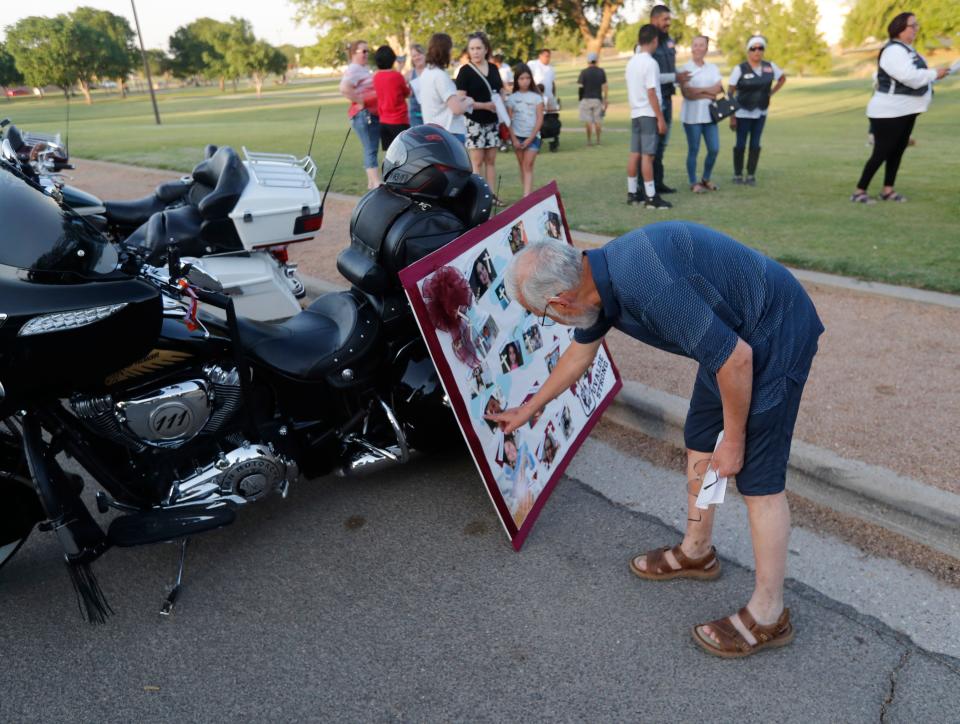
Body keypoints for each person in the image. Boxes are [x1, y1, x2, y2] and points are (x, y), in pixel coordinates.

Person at [486, 222, 824, 659]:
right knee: (702, 434)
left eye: (543, 316)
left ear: (560, 302)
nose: (548, 322)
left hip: (773, 333)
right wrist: (531, 407)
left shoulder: (648, 286)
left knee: (758, 481)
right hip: (730, 334)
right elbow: (581, 351)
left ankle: (768, 615)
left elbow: (737, 360)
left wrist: (735, 440)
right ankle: (697, 552)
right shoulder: (592, 275)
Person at [850, 13, 948, 204]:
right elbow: (908, 76)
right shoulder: (893, 51)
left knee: (897, 151)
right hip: (889, 111)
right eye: (912, 25)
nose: (916, 29)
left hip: (906, 110)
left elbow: (916, 73)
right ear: (900, 28)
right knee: (881, 152)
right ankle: (859, 191)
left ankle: (888, 190)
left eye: (916, 25)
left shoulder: (907, 49)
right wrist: (934, 74)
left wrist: (934, 73)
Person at [728, 35, 786, 186]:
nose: (757, 52)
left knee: (755, 144)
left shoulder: (769, 66)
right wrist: (732, 116)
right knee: (740, 144)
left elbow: (782, 78)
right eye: (753, 48)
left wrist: (771, 93)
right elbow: (730, 93)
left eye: (761, 48)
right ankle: (738, 174)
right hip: (742, 112)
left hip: (761, 112)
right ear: (748, 51)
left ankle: (751, 174)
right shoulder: (739, 69)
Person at [625, 24, 672, 210]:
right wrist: (660, 118)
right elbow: (651, 92)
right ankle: (651, 196)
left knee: (634, 154)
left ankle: (632, 193)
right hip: (648, 114)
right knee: (648, 157)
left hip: (635, 113)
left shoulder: (631, 62)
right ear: (654, 41)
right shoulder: (651, 63)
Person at [456, 31, 505, 204]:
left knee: (491, 160)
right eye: (472, 48)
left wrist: (502, 101)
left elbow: (500, 90)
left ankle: (491, 195)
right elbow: (460, 99)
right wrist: (484, 105)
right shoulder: (465, 71)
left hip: (492, 121)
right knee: (477, 162)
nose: (475, 52)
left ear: (486, 49)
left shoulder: (493, 68)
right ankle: (479, 197)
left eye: (478, 48)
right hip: (474, 121)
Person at [649, 5, 690, 195]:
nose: (668, 23)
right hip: (653, 100)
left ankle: (658, 182)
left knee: (663, 143)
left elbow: (671, 68)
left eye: (669, 19)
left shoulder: (669, 41)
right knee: (652, 144)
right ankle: (647, 185)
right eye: (665, 19)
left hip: (667, 97)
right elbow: (649, 76)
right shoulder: (647, 42)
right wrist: (675, 77)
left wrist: (681, 75)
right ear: (654, 20)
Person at [679, 35, 723, 193]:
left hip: (710, 116)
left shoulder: (713, 68)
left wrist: (700, 91)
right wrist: (707, 92)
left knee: (714, 149)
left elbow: (718, 89)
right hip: (692, 117)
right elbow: (687, 94)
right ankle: (693, 182)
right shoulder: (684, 69)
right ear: (691, 48)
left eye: (701, 45)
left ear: (706, 48)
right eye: (695, 45)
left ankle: (705, 178)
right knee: (694, 149)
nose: (698, 48)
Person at [339, 40, 381, 189]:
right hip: (364, 115)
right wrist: (360, 100)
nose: (366, 54)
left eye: (367, 51)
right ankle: (376, 183)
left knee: (371, 148)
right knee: (370, 149)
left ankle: (372, 183)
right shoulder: (355, 68)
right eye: (363, 51)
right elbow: (344, 88)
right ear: (354, 53)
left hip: (368, 114)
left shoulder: (362, 69)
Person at [418, 33, 473, 144]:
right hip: (449, 132)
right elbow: (456, 109)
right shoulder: (440, 76)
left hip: (432, 131)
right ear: (445, 51)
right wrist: (468, 102)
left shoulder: (426, 73)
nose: (452, 53)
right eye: (450, 49)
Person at [506, 63, 544, 198]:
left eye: (527, 78)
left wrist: (530, 139)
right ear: (517, 80)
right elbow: (508, 120)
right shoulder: (511, 98)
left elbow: (540, 119)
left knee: (528, 165)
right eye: (521, 78)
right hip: (517, 136)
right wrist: (514, 139)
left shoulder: (537, 97)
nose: (525, 81)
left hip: (533, 137)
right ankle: (527, 192)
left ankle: (526, 198)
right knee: (522, 166)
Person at [372, 45, 410, 152]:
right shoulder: (397, 76)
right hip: (399, 120)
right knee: (404, 153)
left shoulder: (376, 77)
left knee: (390, 154)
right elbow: (407, 93)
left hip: (384, 121)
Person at [577, 52, 608, 146]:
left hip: (586, 99)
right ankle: (598, 141)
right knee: (598, 121)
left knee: (588, 122)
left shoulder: (584, 72)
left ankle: (589, 141)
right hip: (597, 99)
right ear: (596, 61)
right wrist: (605, 99)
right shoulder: (601, 71)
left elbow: (580, 87)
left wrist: (580, 98)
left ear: (588, 61)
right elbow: (605, 86)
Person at [406, 43, 427, 126]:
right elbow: (401, 91)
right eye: (414, 56)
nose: (417, 58)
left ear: (424, 55)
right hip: (415, 116)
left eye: (419, 54)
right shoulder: (409, 74)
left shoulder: (432, 71)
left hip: (432, 114)